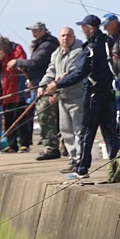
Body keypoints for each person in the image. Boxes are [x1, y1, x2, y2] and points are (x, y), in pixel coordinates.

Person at [45, 15, 118, 179]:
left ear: (90, 28)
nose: (82, 30)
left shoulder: (91, 47)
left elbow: (80, 72)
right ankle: (115, 169)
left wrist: (58, 84)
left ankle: (82, 168)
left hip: (93, 94)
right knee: (110, 132)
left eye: (83, 27)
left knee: (87, 131)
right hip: (109, 92)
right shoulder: (107, 42)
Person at [11, 22, 60, 158]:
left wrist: (17, 62)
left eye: (36, 31)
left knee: (45, 117)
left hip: (47, 86)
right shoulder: (40, 44)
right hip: (38, 84)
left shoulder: (47, 45)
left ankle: (51, 148)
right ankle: (53, 146)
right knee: (45, 116)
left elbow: (36, 63)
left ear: (44, 30)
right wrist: (30, 78)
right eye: (32, 31)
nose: (34, 33)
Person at [39, 27, 84, 173]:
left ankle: (80, 160)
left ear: (73, 37)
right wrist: (42, 85)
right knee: (66, 131)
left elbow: (72, 72)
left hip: (77, 96)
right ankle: (72, 159)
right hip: (62, 97)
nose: (65, 38)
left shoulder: (79, 51)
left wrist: (55, 85)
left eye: (68, 35)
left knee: (78, 130)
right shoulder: (56, 54)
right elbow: (51, 71)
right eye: (63, 36)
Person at [0, 36, 28, 153]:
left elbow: (21, 63)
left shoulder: (16, 48)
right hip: (5, 90)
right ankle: (12, 144)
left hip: (16, 88)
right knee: (8, 120)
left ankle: (24, 143)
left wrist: (7, 59)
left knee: (20, 118)